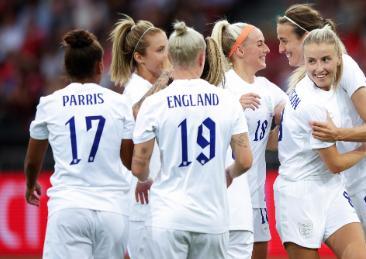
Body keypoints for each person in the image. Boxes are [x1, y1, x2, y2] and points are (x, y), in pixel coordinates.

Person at [276, 4, 366, 259]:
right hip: (347, 180)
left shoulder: (344, 64)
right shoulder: (305, 85)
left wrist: (339, 133)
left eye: (285, 41)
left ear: (306, 38)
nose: (281, 48)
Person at [131, 21, 253, 259]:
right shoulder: (227, 100)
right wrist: (229, 173)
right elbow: (245, 160)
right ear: (202, 57)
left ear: (170, 56)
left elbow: (138, 166)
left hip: (169, 217)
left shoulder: (154, 104)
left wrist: (146, 178)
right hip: (213, 219)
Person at [24, 29, 134, 259]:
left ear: (67, 69)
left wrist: (31, 183)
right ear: (100, 67)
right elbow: (128, 159)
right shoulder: (119, 103)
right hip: (112, 210)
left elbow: (33, 159)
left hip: (68, 208)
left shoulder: (49, 103)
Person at [211, 19, 287, 259]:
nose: (267, 49)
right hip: (224, 193)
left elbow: (281, 131)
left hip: (255, 194)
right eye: (260, 44)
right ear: (241, 50)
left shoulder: (268, 88)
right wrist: (231, 108)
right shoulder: (219, 86)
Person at [109, 14, 169, 258]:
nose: (168, 55)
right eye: (160, 50)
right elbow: (138, 111)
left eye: (168, 47)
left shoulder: (159, 88)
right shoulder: (135, 91)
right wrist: (164, 81)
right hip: (143, 197)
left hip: (161, 196)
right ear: (139, 57)